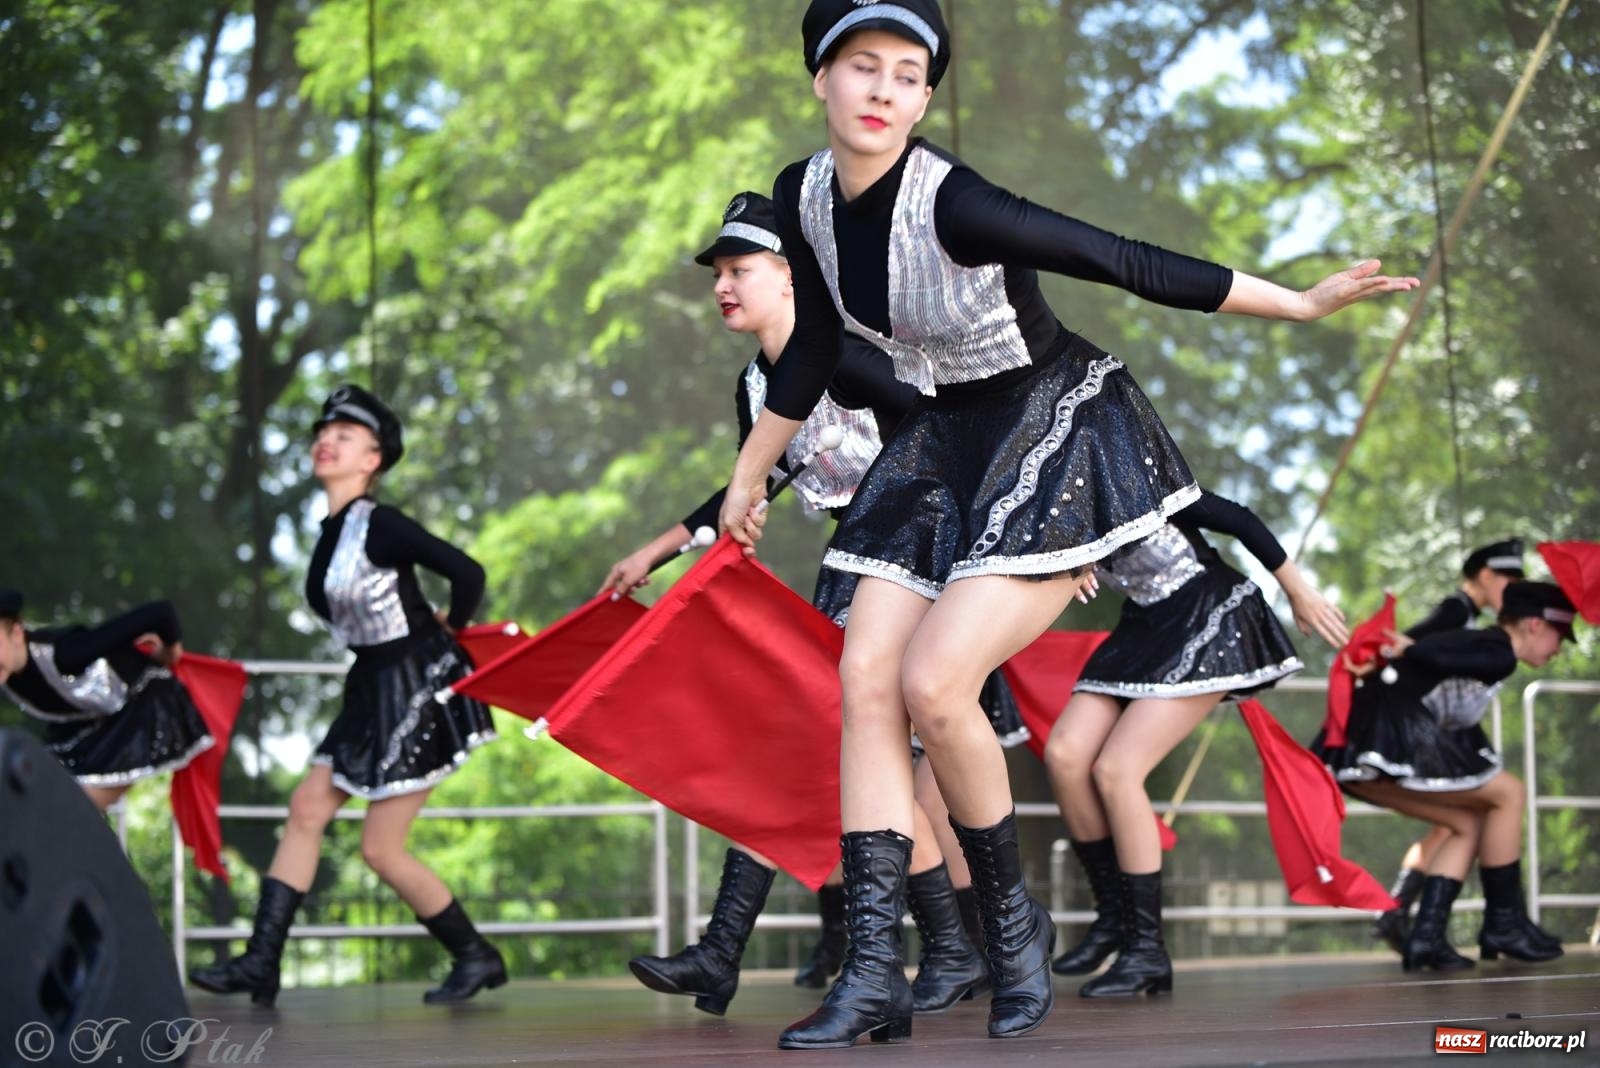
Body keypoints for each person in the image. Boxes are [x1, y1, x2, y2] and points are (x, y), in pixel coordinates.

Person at [719, 0, 1418, 1047]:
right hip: (941, 440)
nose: (883, 90)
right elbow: (813, 347)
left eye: (908, 75)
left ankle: (1009, 928)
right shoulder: (801, 195)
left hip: (1052, 427)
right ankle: (871, 969)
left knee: (931, 684)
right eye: (862, 67)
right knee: (862, 682)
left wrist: (1299, 304)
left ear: (924, 96)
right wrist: (746, 479)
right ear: (820, 79)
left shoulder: (955, 202)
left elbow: (1123, 258)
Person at [605, 193, 989, 1017]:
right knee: (829, 753)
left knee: (821, 747)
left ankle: (730, 952)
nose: (723, 286)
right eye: (718, 273)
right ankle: (945, 952)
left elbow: (953, 436)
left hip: (918, 558)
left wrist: (1015, 542)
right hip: (850, 563)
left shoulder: (850, 358)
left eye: (741, 269)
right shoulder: (754, 387)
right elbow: (752, 482)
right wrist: (656, 549)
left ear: (790, 278)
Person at [190, 385, 504, 1007]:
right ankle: (261, 961)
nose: (325, 440)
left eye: (346, 434)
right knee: (307, 810)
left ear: (373, 459)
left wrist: (454, 628)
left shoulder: (379, 523)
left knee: (380, 848)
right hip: (370, 688)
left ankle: (475, 954)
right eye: (322, 432)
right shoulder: (329, 533)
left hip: (419, 686)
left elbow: (468, 572)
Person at [1044, 489, 1347, 996]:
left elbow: (1239, 519)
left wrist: (1299, 592)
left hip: (1206, 607)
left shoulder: (1133, 467)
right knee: (1065, 755)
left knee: (1117, 771)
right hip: (1143, 624)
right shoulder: (1048, 499)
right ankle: (1114, 917)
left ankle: (1146, 950)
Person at [1314, 581, 1575, 970]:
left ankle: (1427, 938)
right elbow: (1446, 649)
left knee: (1467, 822)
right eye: (1559, 635)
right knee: (1510, 794)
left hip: (1360, 751)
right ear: (1535, 625)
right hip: (1380, 747)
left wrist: (1402, 652)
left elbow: (1441, 652)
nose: (1559, 648)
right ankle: (1504, 922)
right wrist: (1412, 649)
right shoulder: (1497, 651)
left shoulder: (1486, 648)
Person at [1372, 538, 1528, 953]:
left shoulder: (1469, 616)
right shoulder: (1457, 611)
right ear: (1486, 575)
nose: (1512, 589)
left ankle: (1397, 911)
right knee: (1476, 811)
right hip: (1426, 730)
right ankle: (1488, 922)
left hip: (1442, 728)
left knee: (1456, 820)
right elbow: (1410, 644)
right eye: (1509, 578)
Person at [0, 588, 211, 811]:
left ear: (16, 633)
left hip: (141, 707)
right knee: (33, 790)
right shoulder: (10, 674)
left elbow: (161, 612)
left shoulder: (66, 653)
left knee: (71, 808)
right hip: (88, 726)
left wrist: (171, 651)